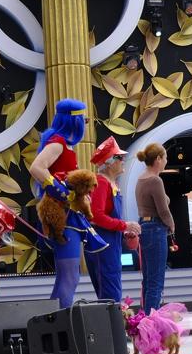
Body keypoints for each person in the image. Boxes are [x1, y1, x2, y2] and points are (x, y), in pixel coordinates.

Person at [27, 99, 87, 306]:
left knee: (68, 276)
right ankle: (62, 330)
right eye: (83, 118)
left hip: (67, 215)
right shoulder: (58, 143)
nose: (84, 123)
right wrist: (62, 192)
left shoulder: (63, 144)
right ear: (75, 119)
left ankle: (54, 328)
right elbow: (36, 168)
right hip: (63, 217)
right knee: (70, 277)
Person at [84, 138, 139, 305]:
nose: (123, 161)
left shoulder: (111, 183)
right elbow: (96, 216)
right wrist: (124, 225)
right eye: (119, 158)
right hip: (102, 242)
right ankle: (113, 328)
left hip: (110, 241)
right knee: (109, 290)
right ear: (108, 163)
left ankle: (114, 327)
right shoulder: (101, 182)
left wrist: (124, 230)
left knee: (112, 286)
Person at [133, 143, 175, 312]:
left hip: (145, 225)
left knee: (149, 279)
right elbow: (163, 210)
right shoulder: (155, 180)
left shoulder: (141, 178)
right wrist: (172, 225)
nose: (166, 161)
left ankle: (145, 318)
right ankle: (152, 321)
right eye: (165, 158)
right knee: (156, 280)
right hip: (155, 227)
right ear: (158, 159)